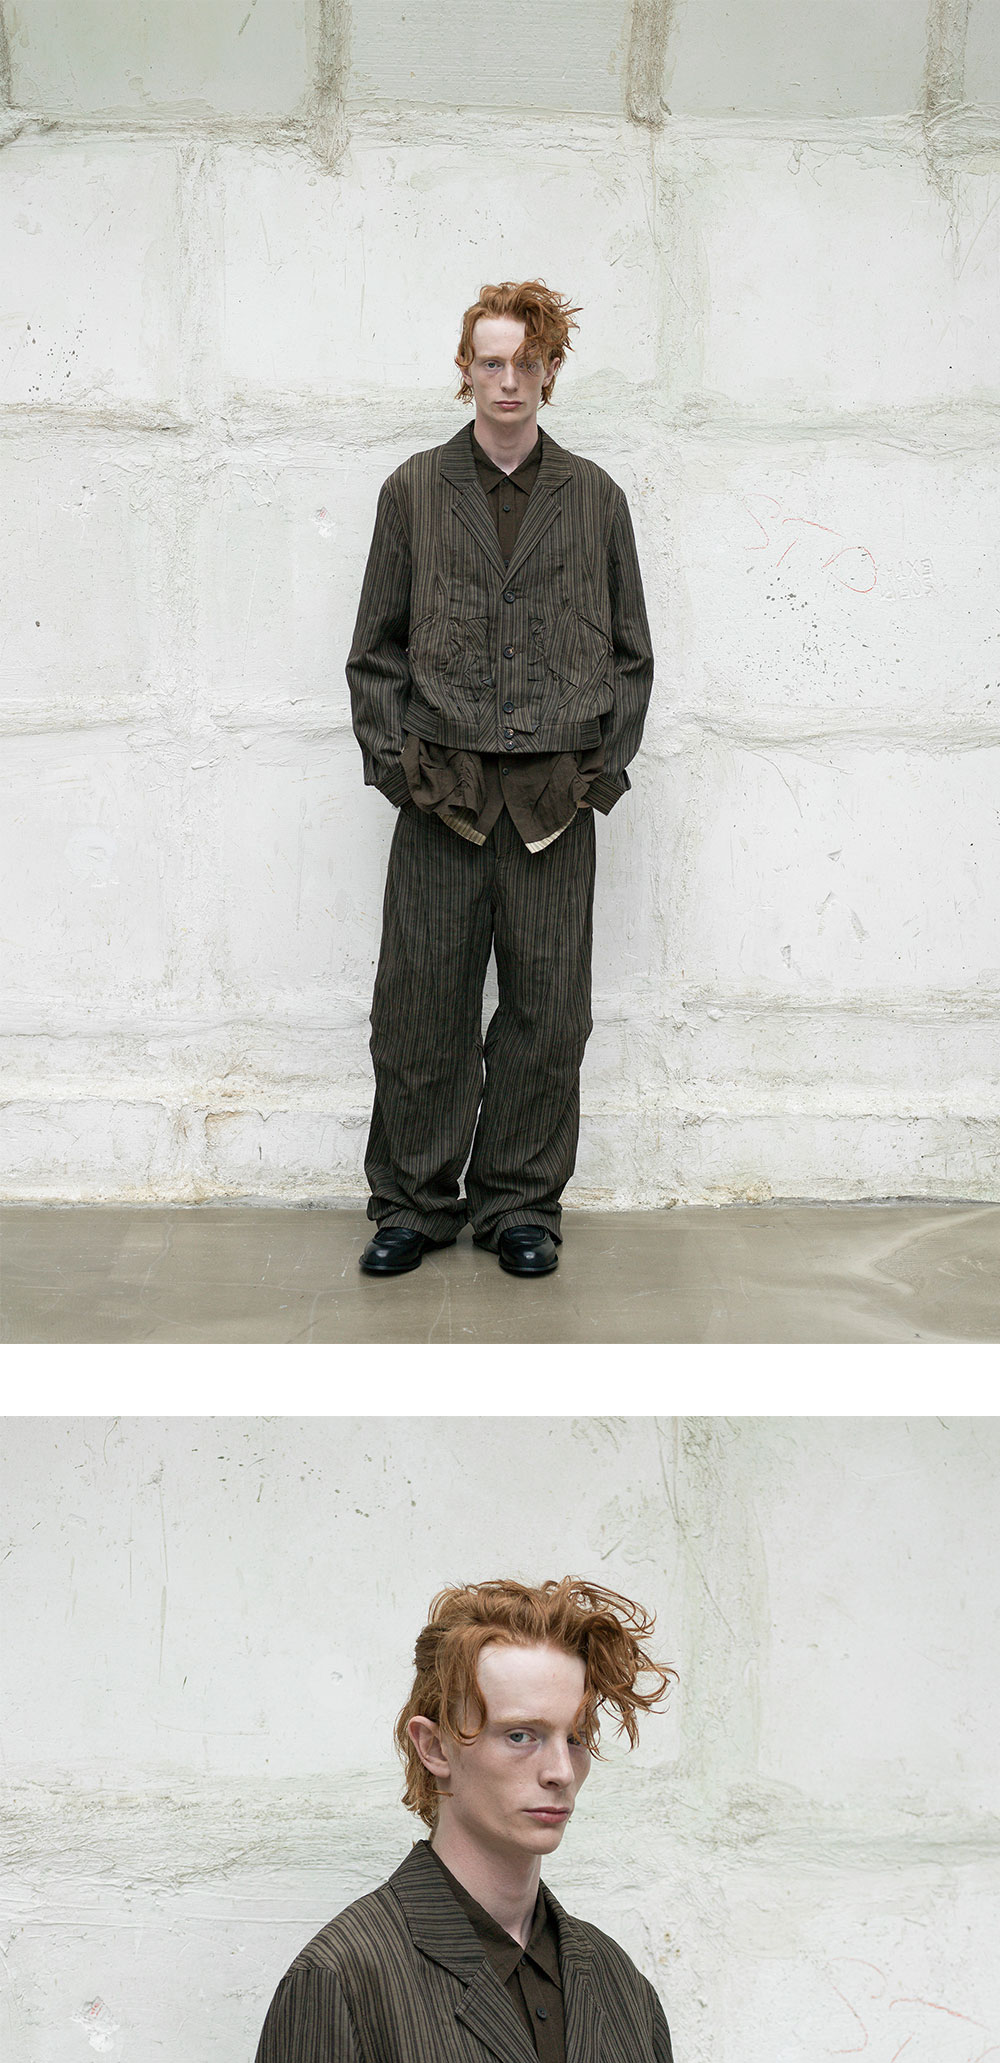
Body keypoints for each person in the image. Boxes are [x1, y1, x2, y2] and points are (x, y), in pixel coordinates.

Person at [347, 280, 654, 1279]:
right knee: (418, 1007)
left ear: (552, 369)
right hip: (442, 795)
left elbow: (631, 654)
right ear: (465, 369)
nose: (509, 379)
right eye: (491, 361)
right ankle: (413, 1202)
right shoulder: (413, 491)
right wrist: (400, 774)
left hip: (553, 803)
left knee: (547, 1013)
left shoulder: (595, 497)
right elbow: (375, 650)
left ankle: (520, 1202)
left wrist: (598, 776)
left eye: (527, 361)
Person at [254, 1577, 676, 2063]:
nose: (561, 1771)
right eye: (520, 1736)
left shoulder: (622, 1987)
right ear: (434, 1747)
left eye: (576, 1738)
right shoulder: (344, 1979)